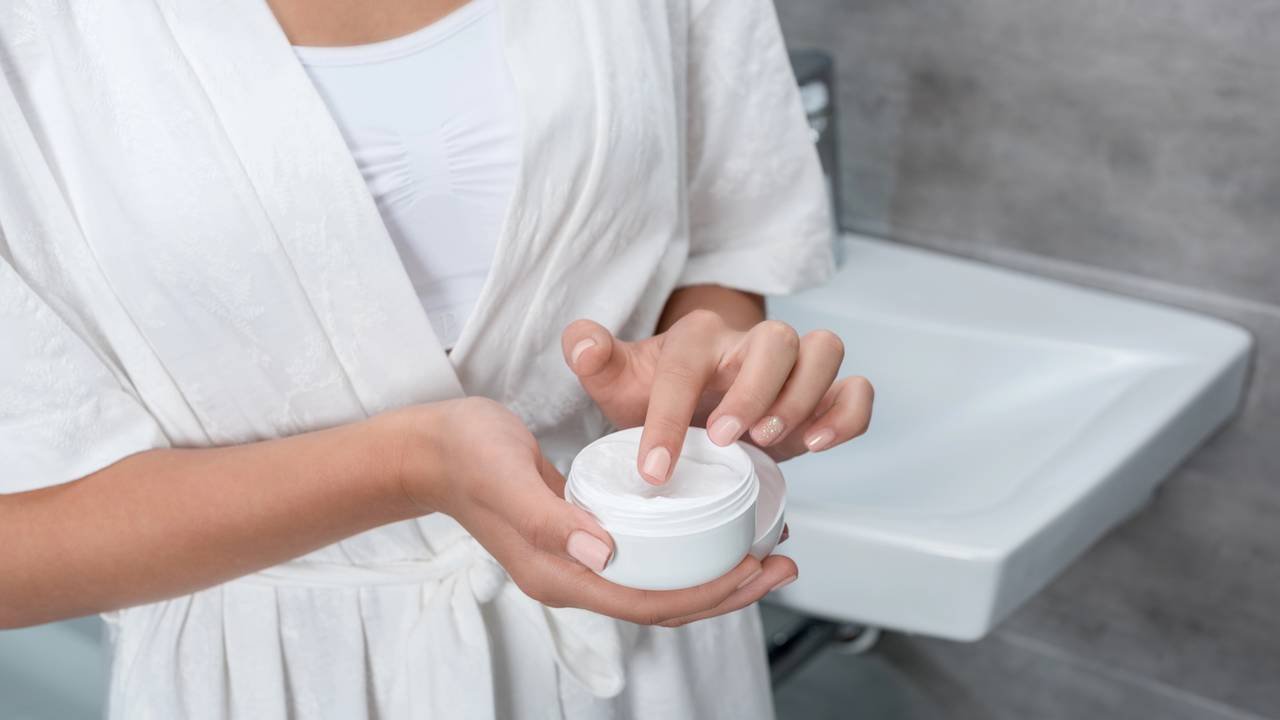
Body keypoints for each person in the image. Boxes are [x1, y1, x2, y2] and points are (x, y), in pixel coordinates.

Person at [0, 0, 873, 717]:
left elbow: (722, 242)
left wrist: (707, 370)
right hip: (271, 681)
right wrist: (408, 467)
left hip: (652, 661)